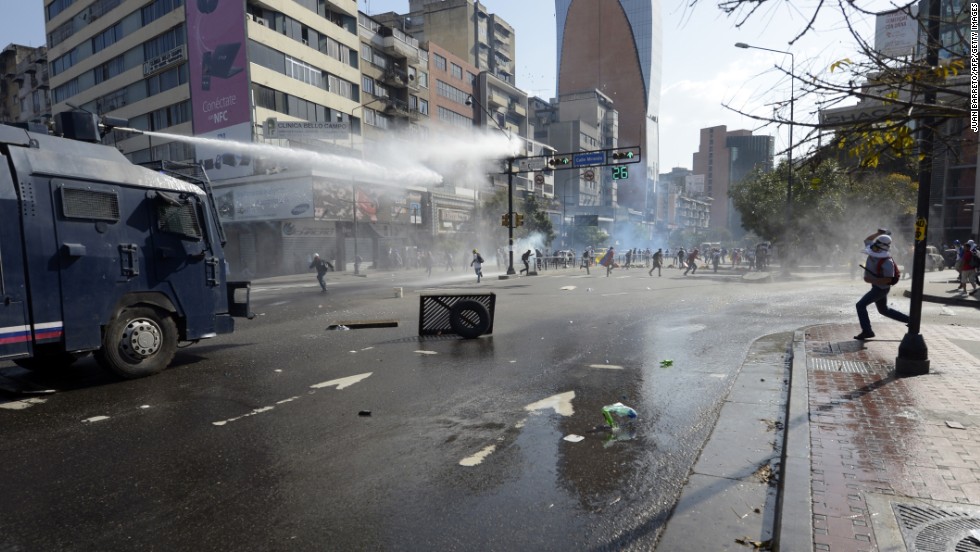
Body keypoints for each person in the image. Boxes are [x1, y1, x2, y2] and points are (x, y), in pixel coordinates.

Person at [854, 231, 909, 340]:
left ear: (882, 248)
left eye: (876, 248)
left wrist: (870, 280)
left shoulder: (887, 262)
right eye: (874, 247)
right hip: (877, 288)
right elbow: (867, 240)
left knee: (860, 305)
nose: (873, 250)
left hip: (881, 289)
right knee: (884, 310)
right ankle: (911, 320)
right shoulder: (873, 248)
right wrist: (878, 233)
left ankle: (867, 331)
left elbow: (888, 280)